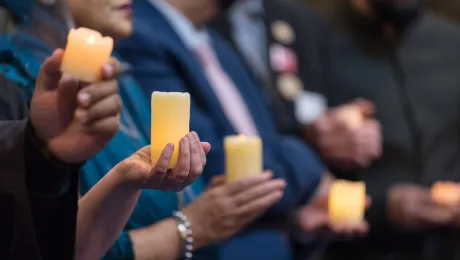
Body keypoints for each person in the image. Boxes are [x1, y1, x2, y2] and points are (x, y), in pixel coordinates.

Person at [2, 0, 286, 259]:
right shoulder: (16, 86)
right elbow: (57, 245)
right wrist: (191, 227)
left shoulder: (118, 75)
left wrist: (203, 200)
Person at [116, 0, 368, 259]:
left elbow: (259, 153)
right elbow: (206, 165)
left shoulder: (213, 40)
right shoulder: (137, 32)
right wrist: (312, 155)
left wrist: (298, 222)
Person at [294, 0, 460, 259]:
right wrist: (384, 207)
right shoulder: (313, 39)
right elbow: (293, 157)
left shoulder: (451, 40)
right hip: (356, 246)